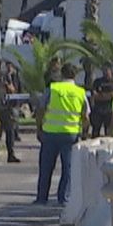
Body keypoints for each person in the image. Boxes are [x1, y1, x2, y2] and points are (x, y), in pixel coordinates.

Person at [33, 63, 87, 206]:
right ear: (75, 75)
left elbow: (40, 109)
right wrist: (85, 132)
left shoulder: (53, 89)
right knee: (67, 168)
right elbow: (86, 115)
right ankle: (63, 198)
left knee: (46, 167)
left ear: (62, 74)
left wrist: (39, 128)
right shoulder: (80, 92)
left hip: (50, 133)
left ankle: (41, 198)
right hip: (70, 134)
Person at [0, 59, 21, 163]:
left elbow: (13, 89)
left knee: (9, 131)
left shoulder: (6, 76)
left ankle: (10, 154)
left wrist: (6, 83)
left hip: (5, 107)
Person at [88, 66, 113, 137]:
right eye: (104, 71)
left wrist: (102, 95)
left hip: (109, 110)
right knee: (95, 131)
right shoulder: (97, 82)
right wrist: (108, 96)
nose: (106, 73)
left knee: (108, 131)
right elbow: (94, 95)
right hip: (98, 110)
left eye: (107, 71)